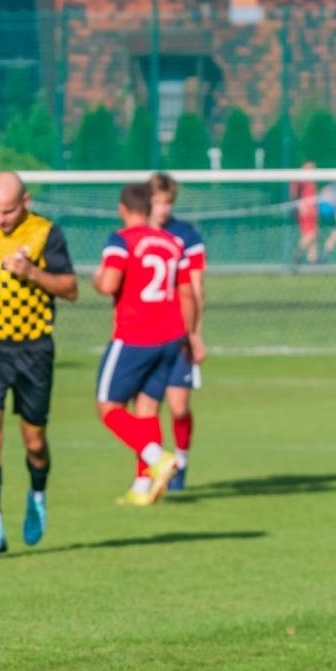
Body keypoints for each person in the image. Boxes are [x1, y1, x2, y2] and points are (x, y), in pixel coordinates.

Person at [0, 171, 78, 556]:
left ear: (25, 202)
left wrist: (31, 272)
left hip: (34, 349)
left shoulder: (46, 234)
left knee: (35, 443)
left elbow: (71, 288)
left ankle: (38, 494)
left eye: (8, 211)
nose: (0, 219)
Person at [91, 183, 191, 506]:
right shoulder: (173, 243)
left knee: (108, 408)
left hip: (135, 335)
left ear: (123, 209)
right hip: (171, 337)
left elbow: (108, 284)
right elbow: (186, 292)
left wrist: (96, 277)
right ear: (149, 208)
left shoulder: (121, 240)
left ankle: (157, 458)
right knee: (147, 410)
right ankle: (142, 487)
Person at [144, 173, 206, 492]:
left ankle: (181, 458)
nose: (163, 209)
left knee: (179, 406)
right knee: (147, 409)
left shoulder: (186, 235)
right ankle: (150, 472)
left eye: (168, 202)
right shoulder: (135, 235)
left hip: (178, 334)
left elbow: (196, 289)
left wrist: (196, 334)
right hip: (144, 336)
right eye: (157, 201)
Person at [289, 163, 319, 265]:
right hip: (306, 211)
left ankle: (313, 260)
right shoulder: (302, 178)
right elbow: (293, 189)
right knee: (311, 234)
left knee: (313, 236)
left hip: (312, 211)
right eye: (311, 168)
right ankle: (297, 252)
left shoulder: (311, 181)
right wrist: (299, 205)